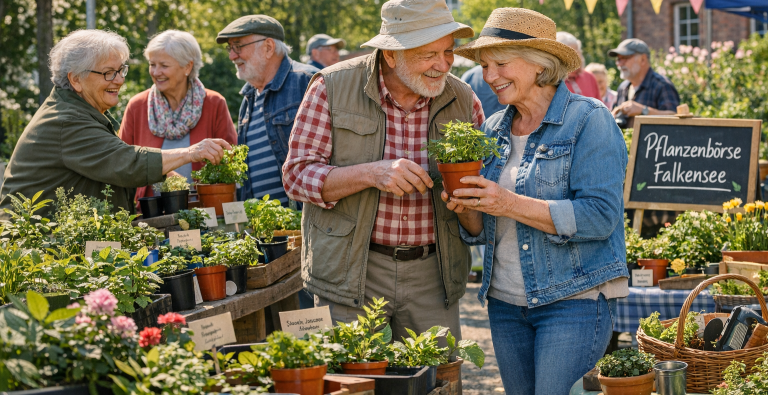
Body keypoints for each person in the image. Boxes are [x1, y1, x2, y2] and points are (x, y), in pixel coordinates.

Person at [282, 0, 484, 341]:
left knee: (437, 380)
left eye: (448, 51)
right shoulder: (331, 87)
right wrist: (372, 173)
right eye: (428, 54)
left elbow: (482, 196)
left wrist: (469, 203)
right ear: (391, 54)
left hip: (433, 275)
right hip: (352, 270)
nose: (443, 64)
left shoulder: (463, 99)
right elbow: (296, 177)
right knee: (352, 382)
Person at [451, 8, 629, 394]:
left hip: (573, 301)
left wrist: (506, 202)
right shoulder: (494, 128)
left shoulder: (588, 119)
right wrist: (467, 208)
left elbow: (600, 217)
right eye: (484, 66)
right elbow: (483, 230)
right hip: (505, 303)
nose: (489, 77)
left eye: (500, 63)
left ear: (538, 64)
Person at [0, 30, 231, 217]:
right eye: (109, 73)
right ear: (76, 79)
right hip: (36, 252)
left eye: (121, 71)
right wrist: (191, 152)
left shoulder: (82, 111)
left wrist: (166, 173)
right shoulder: (67, 120)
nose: (119, 80)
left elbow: (114, 165)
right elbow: (125, 161)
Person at [120, 30, 238, 205]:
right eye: (152, 64)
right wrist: (162, 170)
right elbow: (123, 161)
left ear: (187, 67)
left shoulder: (214, 103)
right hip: (151, 214)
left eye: (164, 65)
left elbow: (230, 162)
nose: (156, 72)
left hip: (205, 211)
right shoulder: (137, 106)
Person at [217, 15, 318, 206]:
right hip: (264, 230)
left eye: (238, 46)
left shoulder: (308, 81)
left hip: (305, 227)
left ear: (268, 47)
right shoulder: (247, 100)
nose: (231, 56)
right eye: (230, 48)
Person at [609, 38, 679, 128]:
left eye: (625, 58)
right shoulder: (622, 87)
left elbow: (676, 118)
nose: (619, 64)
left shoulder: (662, 85)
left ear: (643, 59)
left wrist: (644, 111)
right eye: (618, 59)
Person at [556, 31, 600, 100]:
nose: (575, 56)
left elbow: (601, 107)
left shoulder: (589, 77)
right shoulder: (553, 81)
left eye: (577, 51)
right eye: (570, 53)